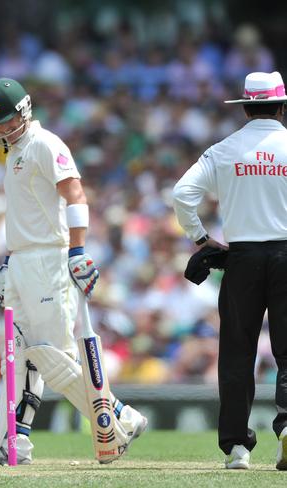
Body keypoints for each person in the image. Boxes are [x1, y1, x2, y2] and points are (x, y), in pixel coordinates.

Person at [0, 78, 147, 465]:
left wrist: (78, 251)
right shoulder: (15, 151)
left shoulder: (45, 143)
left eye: (6, 120)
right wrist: (10, 263)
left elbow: (75, 194)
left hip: (49, 260)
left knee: (52, 357)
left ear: (25, 110)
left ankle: (119, 418)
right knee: (19, 354)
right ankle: (11, 444)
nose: (2, 129)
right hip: (22, 260)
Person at [173, 71, 287, 471]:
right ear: (281, 105)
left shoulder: (224, 149)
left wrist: (201, 239)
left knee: (238, 352)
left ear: (244, 106)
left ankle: (238, 448)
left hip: (241, 258)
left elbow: (181, 194)